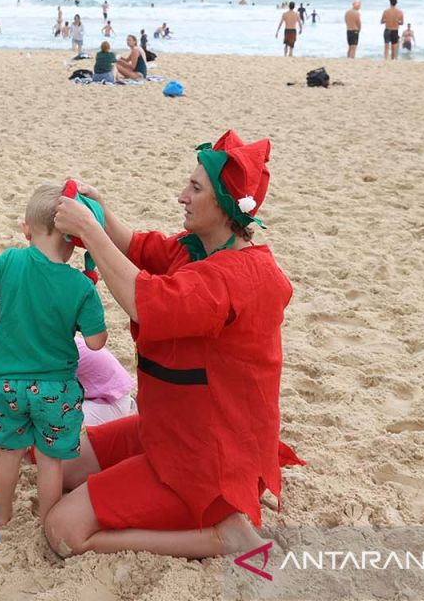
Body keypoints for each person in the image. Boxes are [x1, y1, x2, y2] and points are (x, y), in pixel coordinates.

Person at [43, 132, 303, 558]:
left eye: (196, 188)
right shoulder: (201, 249)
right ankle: (210, 519)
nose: (182, 195)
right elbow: (142, 249)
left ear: (224, 206)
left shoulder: (231, 277)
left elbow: (144, 300)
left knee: (63, 531)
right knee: (60, 460)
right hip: (169, 428)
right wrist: (102, 213)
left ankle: (223, 536)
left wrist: (90, 231)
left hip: (205, 457)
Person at [0, 183, 108, 525]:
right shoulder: (79, 285)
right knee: (50, 460)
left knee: (9, 452)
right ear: (74, 241)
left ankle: (2, 515)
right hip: (55, 390)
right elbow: (97, 342)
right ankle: (48, 520)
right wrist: (88, 301)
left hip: (8, 385)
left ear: (27, 228)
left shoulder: (10, 260)